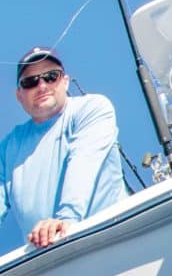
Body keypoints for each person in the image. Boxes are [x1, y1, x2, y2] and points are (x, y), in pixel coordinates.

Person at [0, 47, 127, 249]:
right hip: (48, 260)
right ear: (19, 95)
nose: (41, 86)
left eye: (51, 76)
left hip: (112, 241)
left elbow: (84, 162)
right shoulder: (8, 147)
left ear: (65, 82)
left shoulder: (92, 108)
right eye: (30, 82)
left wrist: (66, 219)